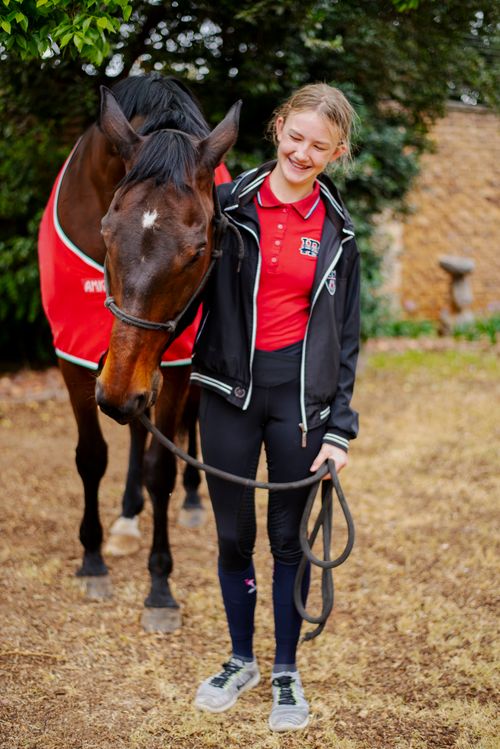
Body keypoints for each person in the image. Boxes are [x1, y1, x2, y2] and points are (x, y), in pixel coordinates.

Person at [190, 83, 361, 732]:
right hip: (227, 393)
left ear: (336, 152)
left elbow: (347, 338)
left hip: (301, 405)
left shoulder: (340, 231)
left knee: (289, 541)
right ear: (279, 126)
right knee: (234, 536)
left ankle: (285, 668)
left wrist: (339, 430)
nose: (302, 151)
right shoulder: (226, 205)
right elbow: (180, 279)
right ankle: (241, 659)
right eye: (296, 136)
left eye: (319, 145)